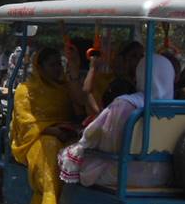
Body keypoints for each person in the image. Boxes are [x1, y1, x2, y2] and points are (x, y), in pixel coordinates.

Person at [60, 54, 176, 189]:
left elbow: (105, 142)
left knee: (66, 156)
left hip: (124, 174)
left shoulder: (125, 104)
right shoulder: (178, 109)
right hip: (165, 176)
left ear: (140, 75)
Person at [10, 47, 78, 204]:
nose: (58, 69)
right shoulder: (25, 90)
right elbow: (25, 122)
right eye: (52, 65)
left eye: (59, 64)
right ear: (40, 67)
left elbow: (76, 111)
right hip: (33, 140)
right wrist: (51, 131)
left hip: (64, 134)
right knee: (50, 146)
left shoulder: (65, 88)